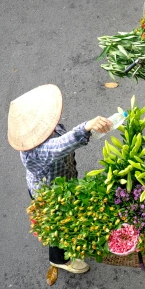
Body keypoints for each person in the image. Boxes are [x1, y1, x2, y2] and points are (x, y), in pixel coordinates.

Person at [8, 84, 113, 274]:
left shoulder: (48, 130)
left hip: (64, 180)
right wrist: (87, 127)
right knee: (57, 222)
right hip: (49, 195)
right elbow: (60, 146)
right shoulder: (35, 152)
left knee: (68, 212)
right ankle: (59, 259)